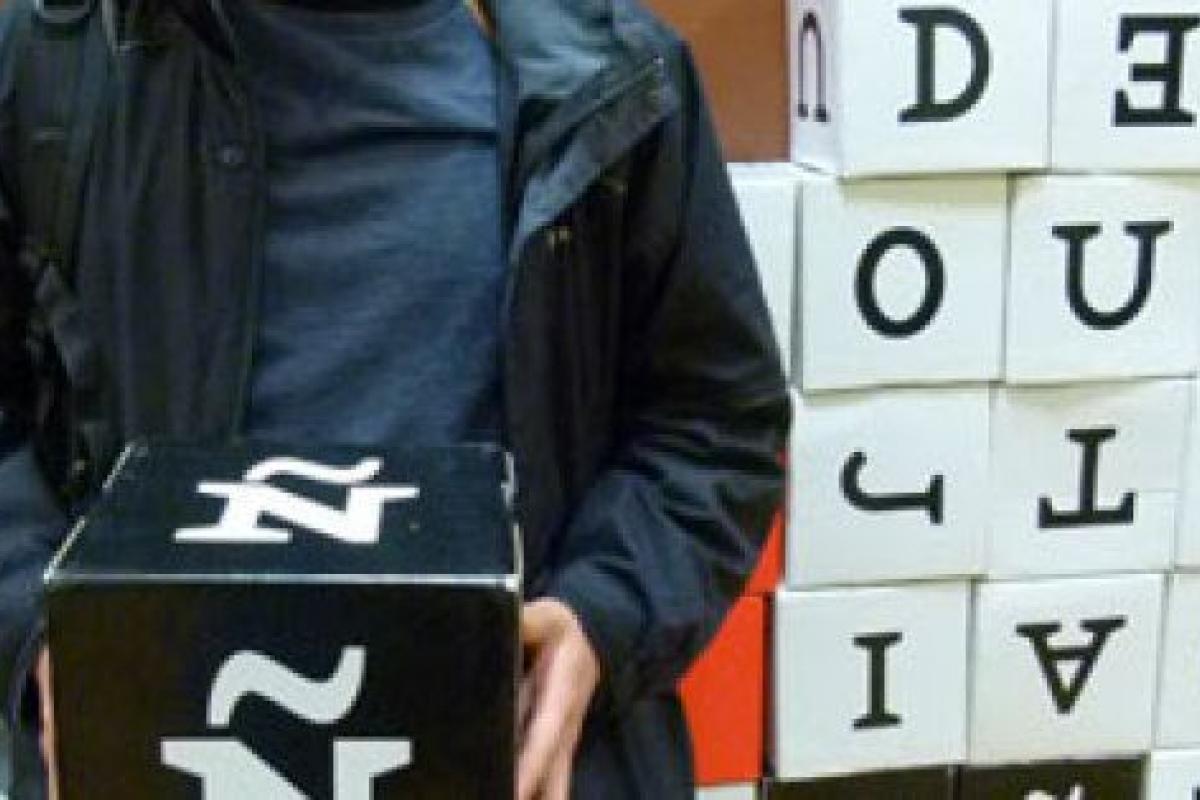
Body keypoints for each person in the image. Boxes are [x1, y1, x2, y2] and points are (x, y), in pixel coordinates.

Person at [0, 0, 789, 796]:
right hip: (156, 750)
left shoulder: (611, 77)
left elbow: (713, 422)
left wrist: (599, 615)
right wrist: (43, 634)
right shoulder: (48, 67)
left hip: (509, 760)